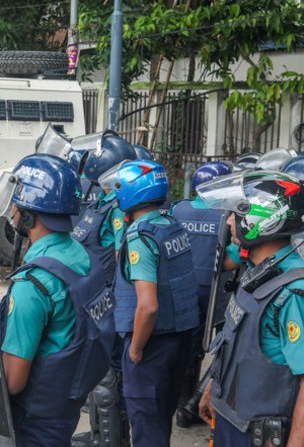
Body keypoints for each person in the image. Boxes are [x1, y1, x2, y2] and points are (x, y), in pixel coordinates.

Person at [0, 154, 115, 445]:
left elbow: (13, 382)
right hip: (66, 402)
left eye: (16, 204)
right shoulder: (82, 255)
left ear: (30, 214)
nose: (12, 210)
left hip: (34, 418)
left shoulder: (32, 285)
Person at [197, 171, 304, 446]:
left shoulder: (293, 292)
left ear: (263, 220)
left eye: (235, 214)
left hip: (261, 434)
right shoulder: (256, 272)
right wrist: (214, 389)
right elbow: (236, 342)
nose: (230, 222)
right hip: (233, 420)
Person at [111, 159, 199, 447]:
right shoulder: (172, 225)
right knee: (161, 421)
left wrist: (136, 349)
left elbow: (148, 306)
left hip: (151, 345)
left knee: (148, 430)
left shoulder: (140, 237)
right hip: (180, 340)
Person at [70, 134, 134, 447]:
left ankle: (111, 441)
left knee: (108, 380)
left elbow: (124, 263)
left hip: (110, 303)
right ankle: (97, 434)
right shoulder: (101, 202)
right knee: (96, 375)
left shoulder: (119, 210)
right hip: (93, 300)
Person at [169, 161, 234, 428]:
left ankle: (181, 399)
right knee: (214, 345)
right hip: (215, 291)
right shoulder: (227, 215)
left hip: (182, 288)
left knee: (184, 342)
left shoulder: (178, 208)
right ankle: (191, 403)